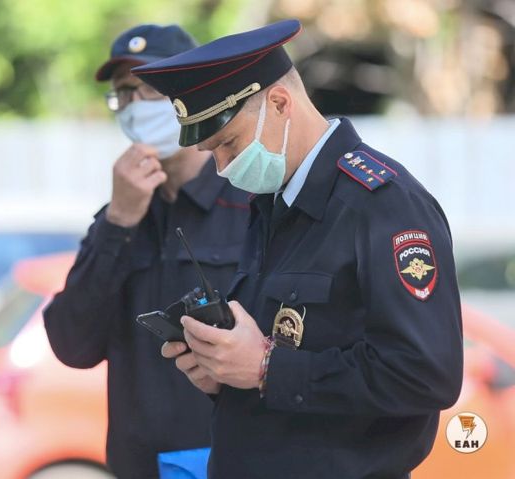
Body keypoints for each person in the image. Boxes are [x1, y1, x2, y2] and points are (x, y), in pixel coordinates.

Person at [133, 19, 464, 479]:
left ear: (280, 103)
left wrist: (266, 367)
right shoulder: (273, 203)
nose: (223, 167)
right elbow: (294, 351)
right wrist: (225, 374)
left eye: (228, 143)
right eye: (212, 152)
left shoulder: (383, 205)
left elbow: (425, 375)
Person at [43, 24, 250, 479]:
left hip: (230, 461)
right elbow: (72, 345)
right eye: (124, 93)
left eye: (152, 88)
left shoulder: (250, 202)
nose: (136, 104)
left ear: (194, 92)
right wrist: (119, 221)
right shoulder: (119, 215)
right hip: (138, 465)